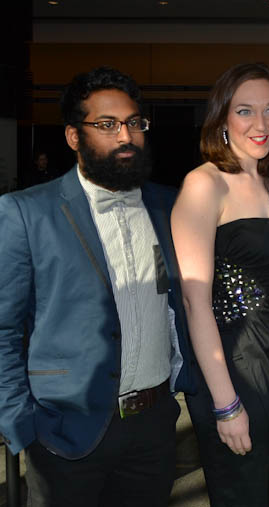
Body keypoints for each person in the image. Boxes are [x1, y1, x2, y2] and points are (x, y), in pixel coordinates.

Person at [0, 66, 196, 507]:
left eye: (133, 123)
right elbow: (3, 329)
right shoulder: (27, 213)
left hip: (154, 430)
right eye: (107, 125)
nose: (125, 135)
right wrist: (20, 423)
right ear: (73, 137)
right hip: (64, 432)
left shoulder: (169, 205)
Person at [171, 62, 269, 507]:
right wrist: (226, 405)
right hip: (233, 370)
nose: (260, 124)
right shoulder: (204, 184)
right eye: (245, 111)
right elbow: (194, 303)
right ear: (222, 117)